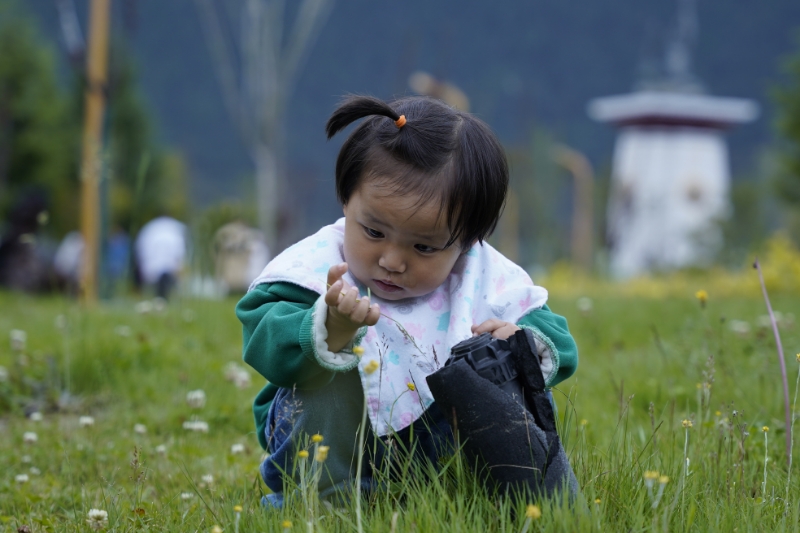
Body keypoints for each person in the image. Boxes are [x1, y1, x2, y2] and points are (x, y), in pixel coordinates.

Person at [236, 95, 579, 506]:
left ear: (467, 240)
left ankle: (524, 493)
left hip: (437, 445)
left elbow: (558, 340)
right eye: (374, 232)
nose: (392, 261)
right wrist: (327, 329)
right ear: (346, 199)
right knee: (330, 380)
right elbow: (262, 334)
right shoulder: (314, 268)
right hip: (338, 446)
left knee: (508, 369)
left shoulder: (482, 277)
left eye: (424, 247)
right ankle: (323, 500)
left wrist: (518, 343)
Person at [134, 216, 187, 300]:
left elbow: (141, 251)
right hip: (166, 267)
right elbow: (179, 254)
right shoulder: (174, 230)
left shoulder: (150, 229)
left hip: (154, 267)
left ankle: (159, 298)